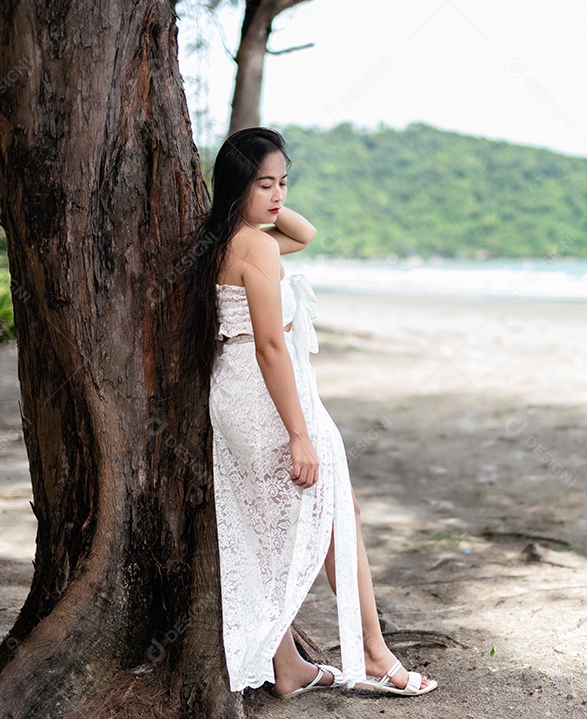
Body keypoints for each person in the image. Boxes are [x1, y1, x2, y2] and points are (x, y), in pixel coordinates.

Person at [183, 127, 437, 699]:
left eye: (284, 182)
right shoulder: (257, 245)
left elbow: (304, 231)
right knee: (332, 517)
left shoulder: (227, 237)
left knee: (274, 528)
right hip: (271, 397)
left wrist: (261, 194)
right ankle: (371, 652)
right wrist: (299, 434)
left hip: (239, 394)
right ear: (234, 187)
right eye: (264, 185)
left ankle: (291, 666)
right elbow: (272, 344)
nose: (278, 197)